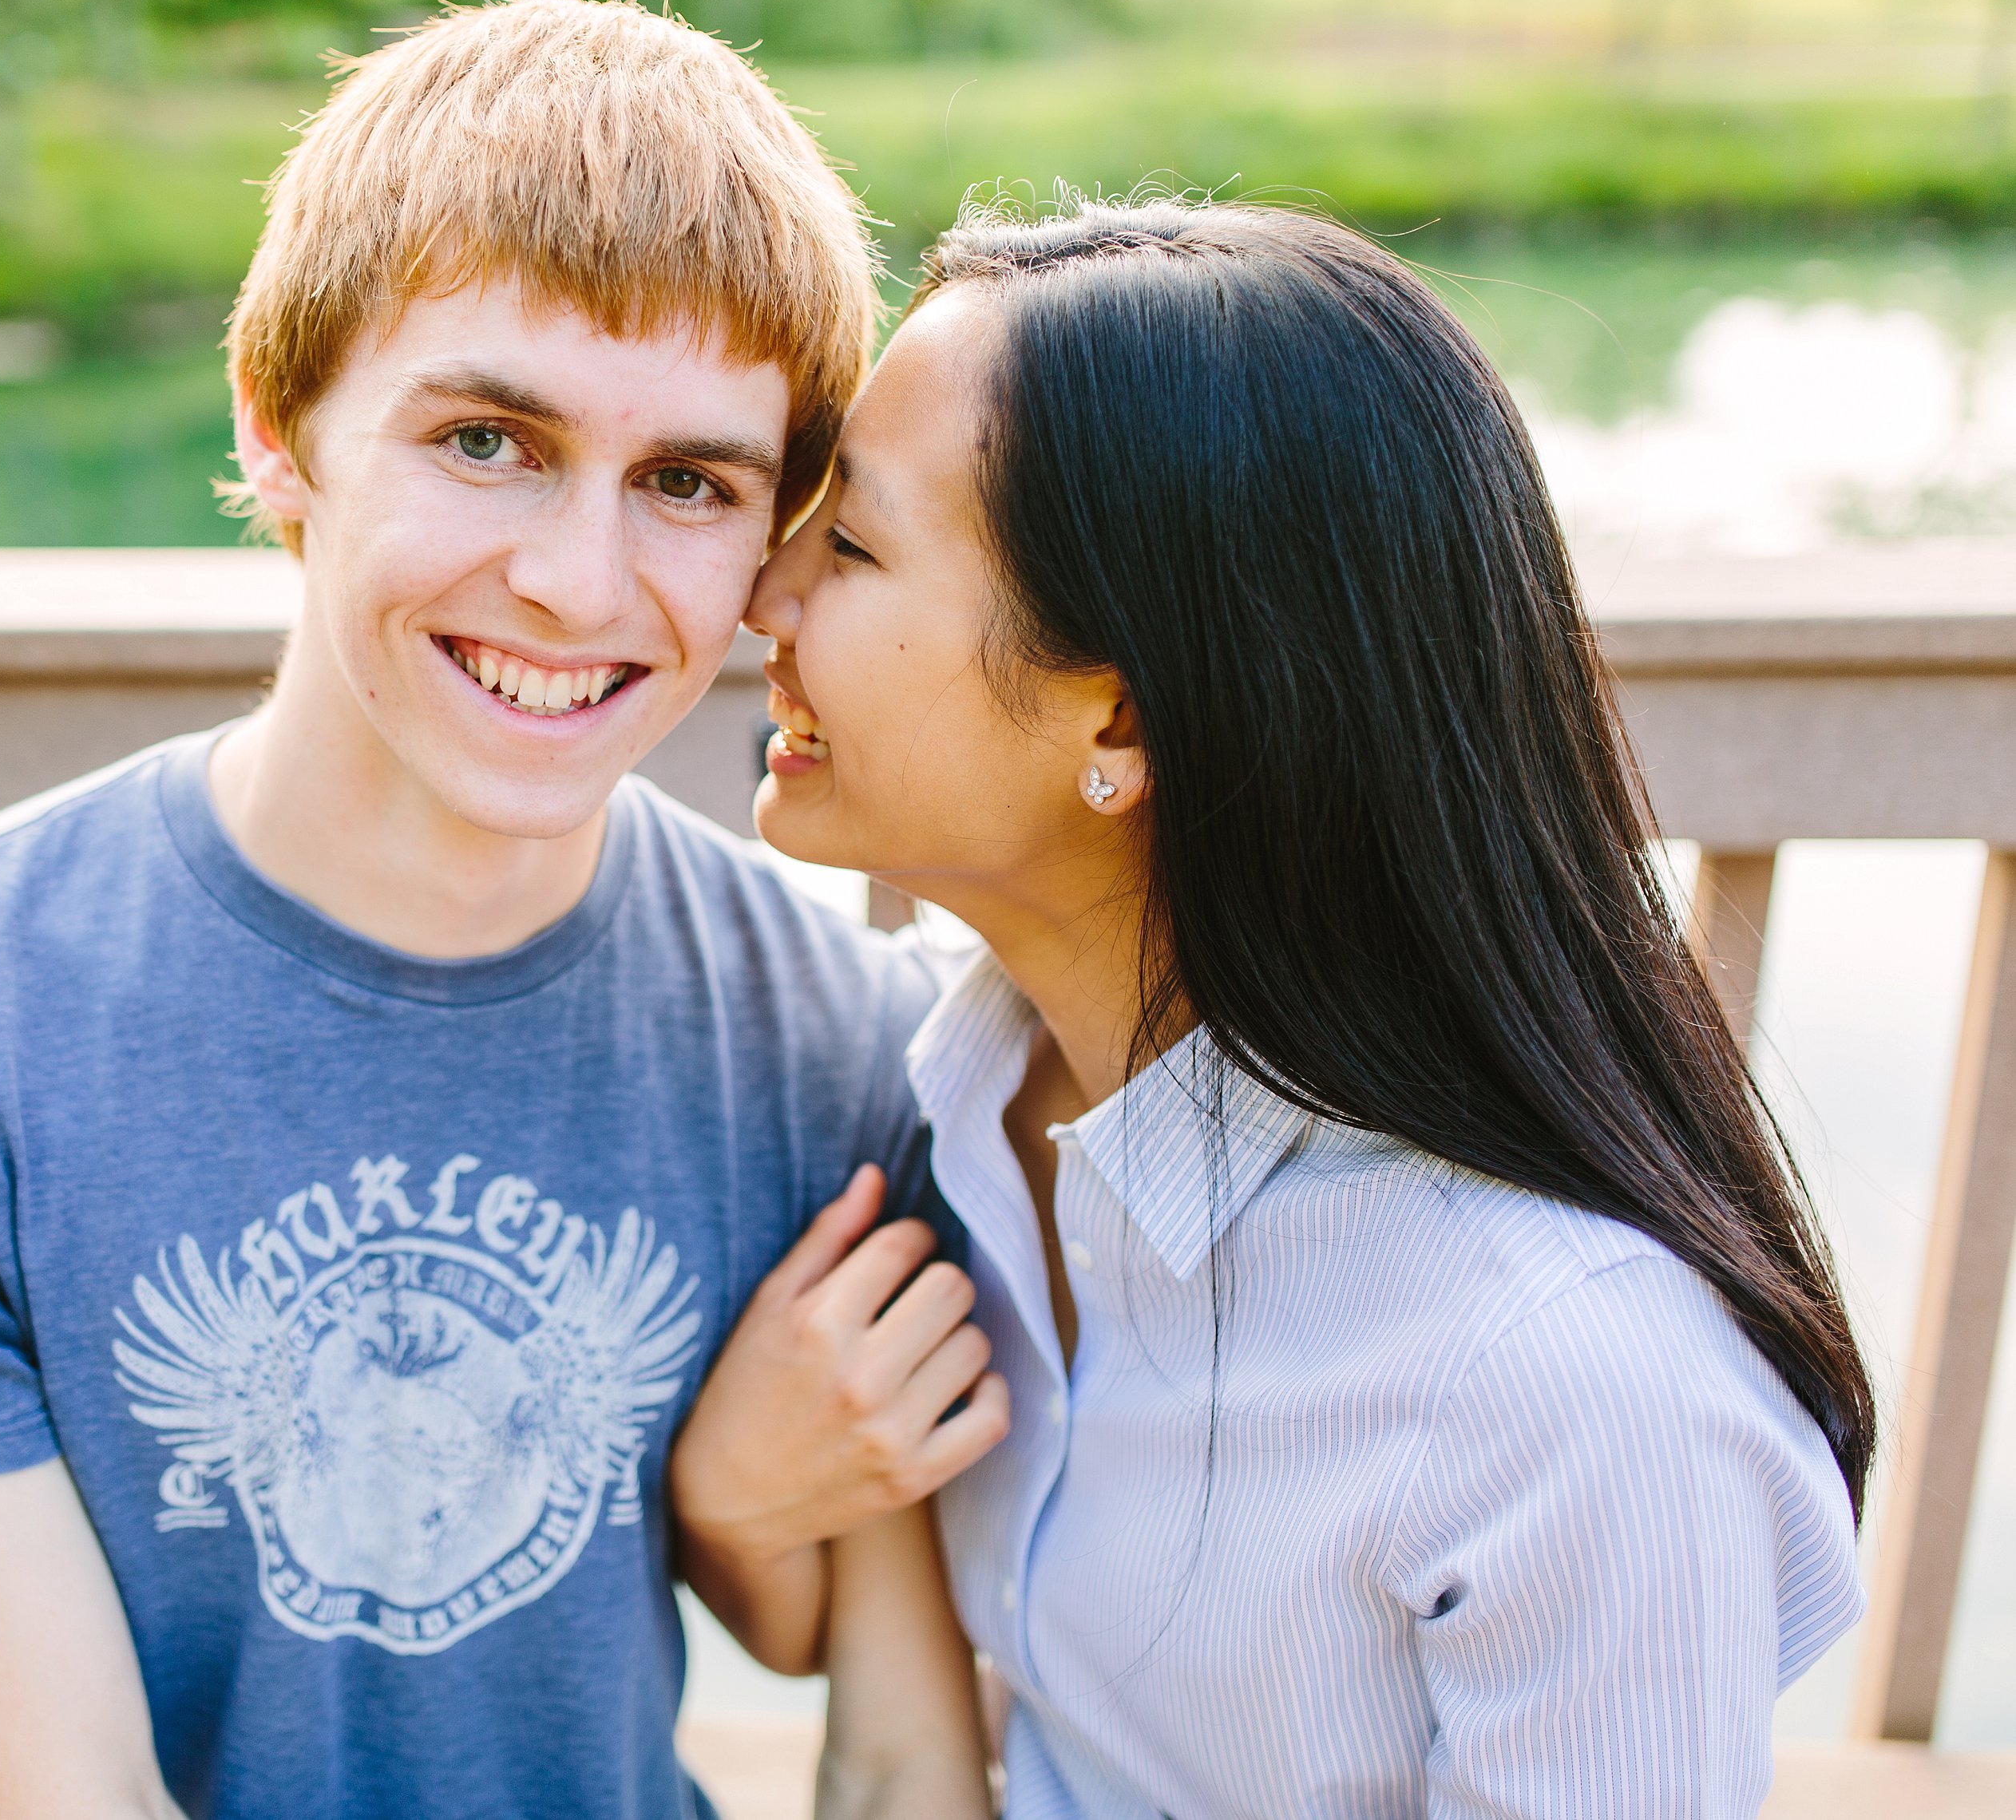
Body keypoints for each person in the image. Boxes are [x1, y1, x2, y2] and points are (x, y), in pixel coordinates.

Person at [0, 0, 1000, 1820]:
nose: (577, 583)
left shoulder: (845, 1028)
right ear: (277, 431)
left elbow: (894, 1758)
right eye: (485, 440)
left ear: (771, 542)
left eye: (686, 484)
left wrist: (727, 1504)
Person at [687, 197, 1875, 1817]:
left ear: (1123, 714)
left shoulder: (1572, 1389)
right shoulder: (941, 1098)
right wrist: (733, 1504)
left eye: (852, 543)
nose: (759, 593)